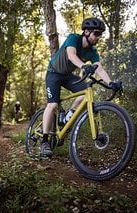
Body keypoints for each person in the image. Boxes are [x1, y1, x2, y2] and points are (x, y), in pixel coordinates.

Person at [40, 17, 122, 157]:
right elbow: (71, 56)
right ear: (86, 32)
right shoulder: (74, 38)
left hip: (67, 75)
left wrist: (111, 83)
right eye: (96, 33)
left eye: (100, 34)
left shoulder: (92, 51)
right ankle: (45, 141)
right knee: (53, 105)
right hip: (53, 73)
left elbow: (99, 69)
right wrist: (84, 66)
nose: (98, 37)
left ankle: (67, 117)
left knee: (85, 93)